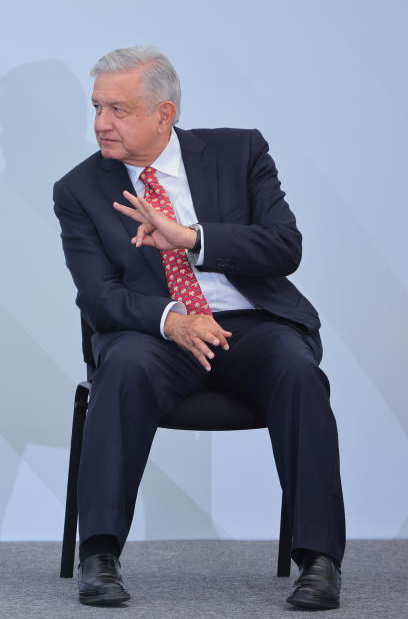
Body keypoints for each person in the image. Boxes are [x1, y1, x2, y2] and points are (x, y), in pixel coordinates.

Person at [53, 46, 344, 610]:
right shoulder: (80, 189)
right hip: (155, 334)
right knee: (124, 369)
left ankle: (319, 561)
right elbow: (98, 295)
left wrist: (192, 239)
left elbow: (286, 247)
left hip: (250, 323)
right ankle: (100, 555)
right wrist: (171, 320)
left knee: (298, 370)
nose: (100, 124)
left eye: (118, 109)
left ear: (164, 114)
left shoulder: (240, 152)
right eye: (96, 108)